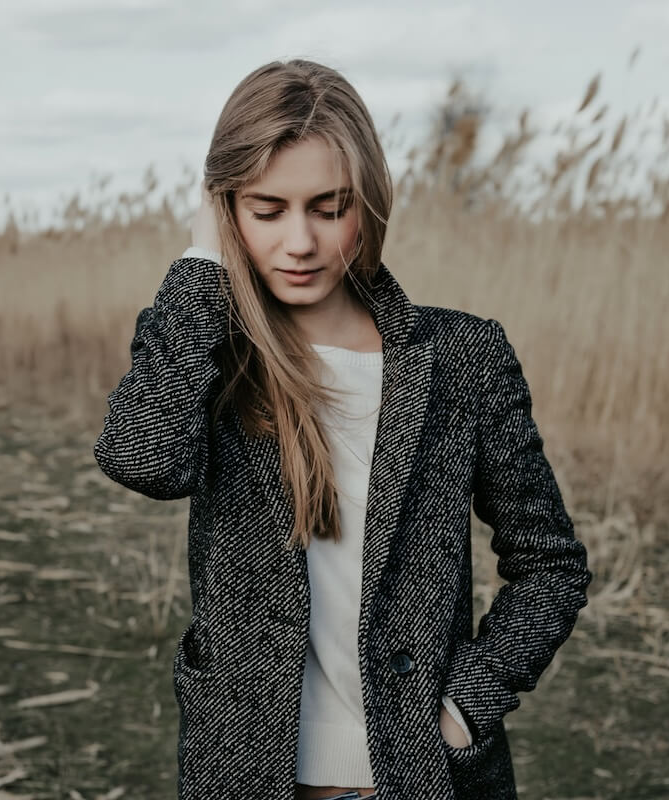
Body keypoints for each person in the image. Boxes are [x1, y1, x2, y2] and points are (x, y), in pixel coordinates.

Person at [93, 58, 592, 800]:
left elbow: (551, 565)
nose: (299, 242)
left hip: (421, 774)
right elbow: (142, 459)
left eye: (328, 209)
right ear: (225, 208)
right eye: (266, 210)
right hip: (246, 772)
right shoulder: (210, 353)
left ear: (369, 204)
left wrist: (464, 708)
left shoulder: (462, 358)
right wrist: (203, 260)